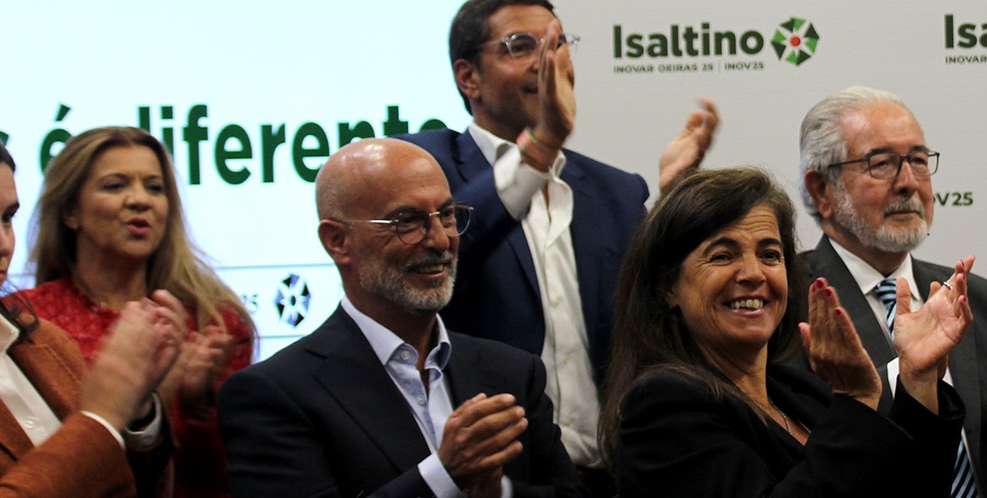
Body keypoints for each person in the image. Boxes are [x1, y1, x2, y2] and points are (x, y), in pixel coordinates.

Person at [396, 0, 718, 494]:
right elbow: (449, 247)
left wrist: (674, 205)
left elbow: (654, 316)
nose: (547, 61)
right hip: (493, 481)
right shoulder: (425, 169)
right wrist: (541, 146)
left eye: (558, 43)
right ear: (468, 76)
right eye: (521, 46)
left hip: (617, 477)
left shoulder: (616, 192)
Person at [218, 138, 583, 498]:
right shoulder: (276, 394)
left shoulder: (513, 373)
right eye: (407, 221)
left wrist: (498, 492)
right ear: (337, 240)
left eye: (447, 215)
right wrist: (443, 475)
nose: (441, 240)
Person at [600, 166, 971, 498]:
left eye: (770, 255)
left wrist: (918, 379)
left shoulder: (802, 390)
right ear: (668, 287)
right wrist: (857, 400)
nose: (754, 273)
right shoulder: (662, 406)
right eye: (723, 255)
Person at [798, 87, 987, 498]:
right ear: (821, 190)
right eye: (881, 164)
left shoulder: (978, 300)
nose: (908, 183)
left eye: (918, 160)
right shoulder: (789, 301)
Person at [19, 126, 254, 498]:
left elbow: (234, 477)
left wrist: (197, 405)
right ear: (70, 211)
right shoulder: (26, 320)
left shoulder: (214, 320)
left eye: (154, 187)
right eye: (116, 186)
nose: (140, 200)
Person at [0, 140, 184, 497]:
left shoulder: (45, 341)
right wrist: (100, 418)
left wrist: (137, 410)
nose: (4, 244)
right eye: (115, 185)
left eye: (6, 218)